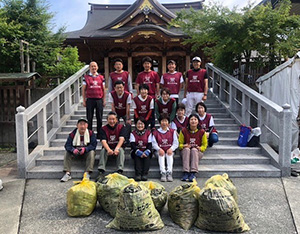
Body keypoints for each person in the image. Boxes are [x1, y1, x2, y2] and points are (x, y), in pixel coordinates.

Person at [97, 111, 126, 180]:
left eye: (113, 119)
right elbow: (103, 141)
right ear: (107, 120)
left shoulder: (121, 127)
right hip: (108, 148)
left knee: (121, 150)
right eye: (110, 119)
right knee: (103, 150)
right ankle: (101, 171)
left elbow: (121, 139)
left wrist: (117, 148)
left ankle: (120, 171)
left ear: (116, 120)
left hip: (117, 147)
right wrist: (109, 149)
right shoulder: (103, 129)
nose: (112, 121)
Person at [178, 114, 207, 182]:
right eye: (191, 119)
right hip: (185, 152)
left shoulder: (202, 132)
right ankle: (186, 172)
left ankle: (193, 173)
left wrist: (200, 148)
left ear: (198, 121)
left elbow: (204, 144)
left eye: (195, 119)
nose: (193, 121)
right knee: (187, 150)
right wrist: (184, 146)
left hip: (197, 152)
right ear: (189, 121)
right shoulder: (184, 131)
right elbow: (179, 144)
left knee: (194, 150)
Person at [82, 61, 106, 139]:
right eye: (92, 66)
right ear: (89, 68)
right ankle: (90, 134)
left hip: (99, 99)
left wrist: (104, 99)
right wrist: (84, 100)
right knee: (89, 118)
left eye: (95, 66)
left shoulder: (101, 77)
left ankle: (99, 133)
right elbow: (83, 89)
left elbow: (104, 89)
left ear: (97, 67)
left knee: (99, 117)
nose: (93, 68)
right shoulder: (86, 77)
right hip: (90, 99)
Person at [152, 113, 178, 182]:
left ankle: (169, 172)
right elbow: (154, 143)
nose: (164, 123)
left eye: (166, 121)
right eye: (162, 121)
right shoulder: (156, 132)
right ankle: (163, 172)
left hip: (169, 150)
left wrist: (171, 149)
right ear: (160, 122)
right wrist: (159, 149)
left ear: (168, 123)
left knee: (169, 154)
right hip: (159, 151)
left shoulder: (172, 132)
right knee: (161, 154)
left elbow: (176, 143)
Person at [130, 117, 152, 181]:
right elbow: (133, 144)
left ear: (144, 125)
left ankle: (145, 174)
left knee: (147, 157)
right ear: (136, 125)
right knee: (137, 157)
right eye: (138, 124)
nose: (140, 125)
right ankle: (138, 174)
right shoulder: (133, 133)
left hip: (146, 150)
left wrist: (146, 152)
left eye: (141, 124)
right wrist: (138, 152)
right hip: (136, 151)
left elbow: (150, 144)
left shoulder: (148, 133)